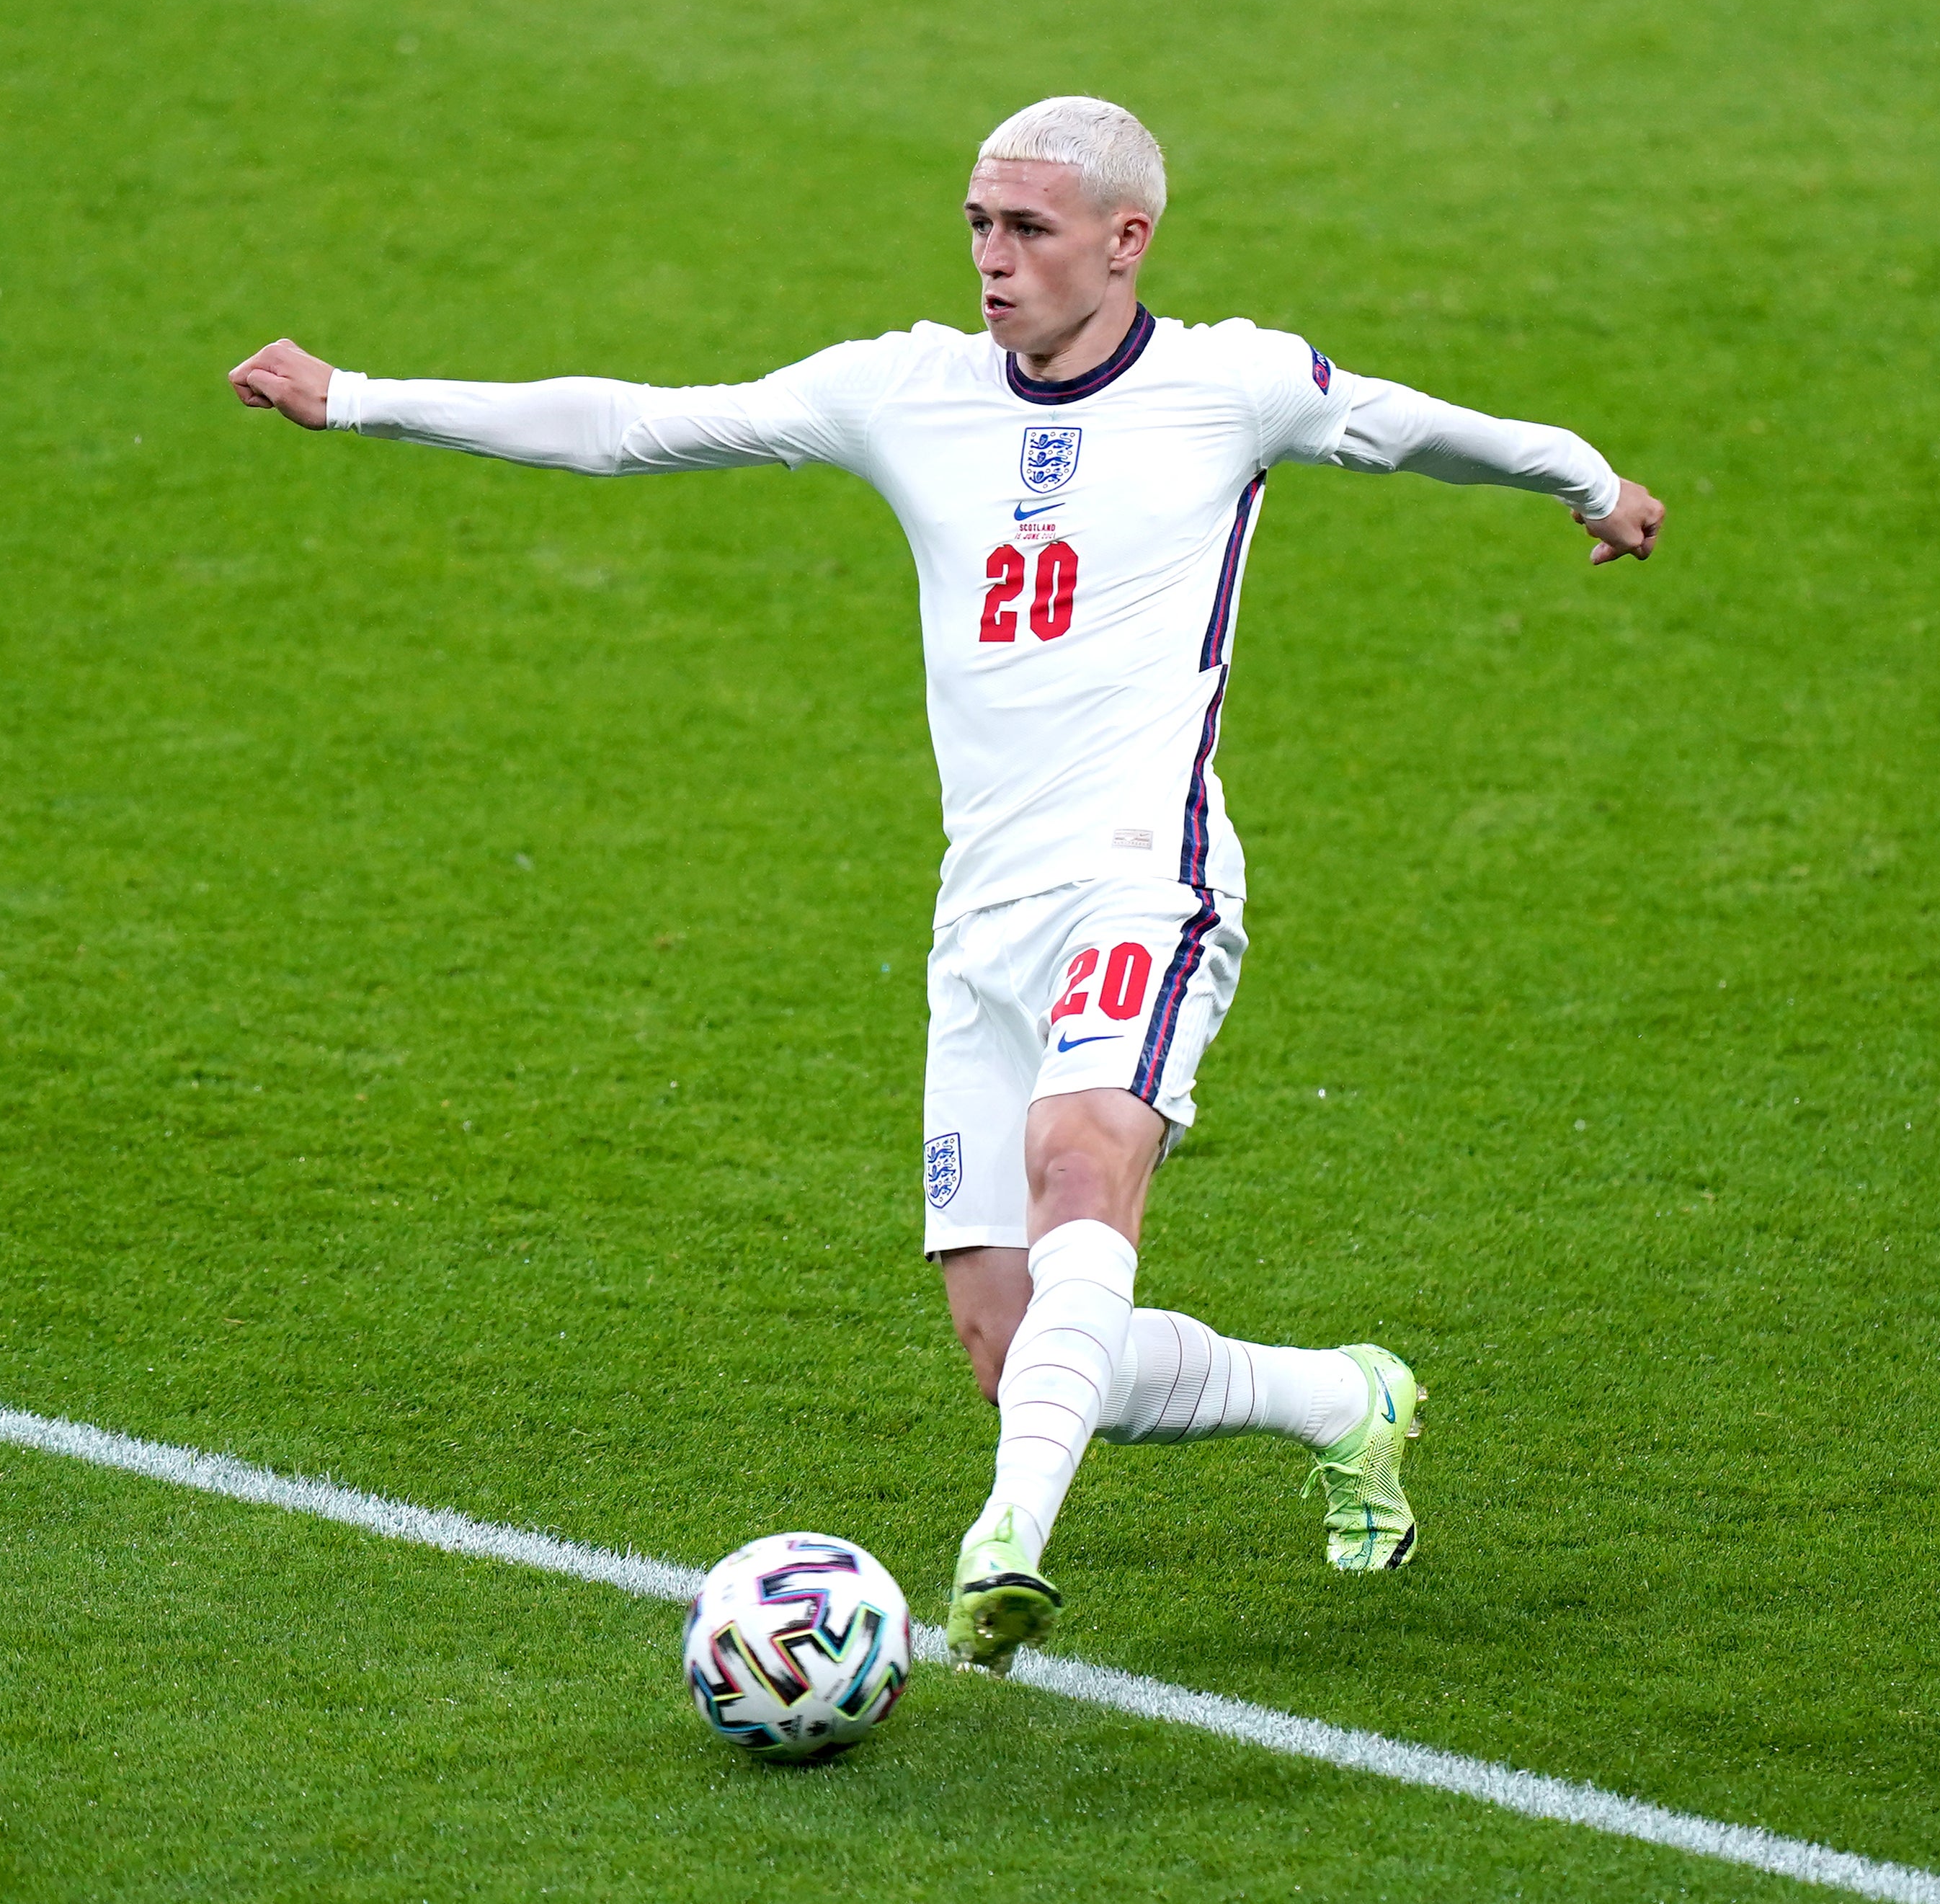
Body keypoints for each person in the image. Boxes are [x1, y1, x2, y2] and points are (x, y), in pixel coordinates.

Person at [229, 95, 1663, 1673]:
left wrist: (1584, 480)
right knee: (1011, 1339)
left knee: (1076, 1168)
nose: (991, 259)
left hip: (1143, 875)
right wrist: (350, 398)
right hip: (978, 915)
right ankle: (1340, 1398)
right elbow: (633, 425)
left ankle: (1006, 1548)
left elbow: (1417, 427)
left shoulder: (1228, 383)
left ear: (1126, 242)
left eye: (1027, 229)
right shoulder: (898, 390)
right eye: (978, 223)